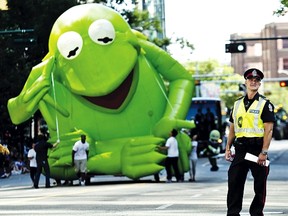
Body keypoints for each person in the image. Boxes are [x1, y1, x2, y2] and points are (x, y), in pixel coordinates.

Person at [225, 68, 275, 216]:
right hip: (240, 149)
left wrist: (264, 152)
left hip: (257, 150)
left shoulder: (265, 104)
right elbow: (233, 127)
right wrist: (228, 148)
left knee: (260, 185)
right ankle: (233, 213)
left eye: (257, 80)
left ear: (259, 83)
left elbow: (269, 130)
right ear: (245, 82)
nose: (254, 82)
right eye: (251, 79)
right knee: (234, 182)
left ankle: (256, 213)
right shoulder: (237, 104)